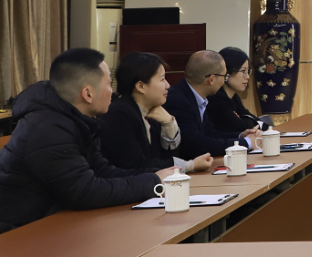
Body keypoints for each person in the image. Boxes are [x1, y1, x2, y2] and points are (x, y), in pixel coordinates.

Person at [0, 48, 171, 233]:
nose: (113, 92)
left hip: (54, 223)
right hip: (20, 232)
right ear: (88, 94)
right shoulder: (48, 130)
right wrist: (152, 182)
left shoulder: (75, 120)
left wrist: (158, 175)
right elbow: (85, 192)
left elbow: (102, 171)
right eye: (108, 84)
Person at [98, 52, 213, 173]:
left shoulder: (153, 111)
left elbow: (164, 158)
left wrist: (169, 124)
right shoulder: (119, 114)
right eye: (162, 79)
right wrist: (190, 165)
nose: (167, 85)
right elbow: (136, 165)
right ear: (141, 86)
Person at [163, 50, 260, 159]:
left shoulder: (197, 97)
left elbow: (210, 133)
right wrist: (247, 143)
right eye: (224, 76)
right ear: (212, 79)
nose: (224, 81)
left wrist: (240, 136)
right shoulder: (178, 101)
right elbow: (198, 145)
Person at [206, 47, 262, 133]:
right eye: (243, 71)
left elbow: (258, 122)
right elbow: (242, 128)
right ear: (226, 72)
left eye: (248, 71)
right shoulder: (216, 99)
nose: (247, 77)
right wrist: (244, 120)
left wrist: (243, 119)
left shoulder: (234, 97)